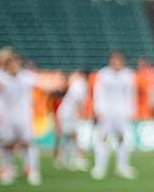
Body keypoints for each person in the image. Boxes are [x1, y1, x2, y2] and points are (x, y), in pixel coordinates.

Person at [0, 47, 42, 185]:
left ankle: (32, 170)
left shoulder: (26, 77)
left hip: (24, 117)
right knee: (6, 144)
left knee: (27, 143)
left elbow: (43, 83)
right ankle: (6, 170)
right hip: (6, 118)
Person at [91, 51, 138, 180]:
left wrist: (131, 111)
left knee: (122, 138)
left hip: (122, 112)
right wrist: (98, 109)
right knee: (103, 138)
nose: (117, 63)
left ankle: (122, 166)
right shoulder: (103, 74)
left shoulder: (127, 75)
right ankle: (100, 166)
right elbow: (98, 92)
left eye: (119, 60)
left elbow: (130, 94)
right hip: (106, 112)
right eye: (114, 60)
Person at [54, 70, 90, 171]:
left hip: (65, 113)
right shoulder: (80, 84)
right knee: (74, 135)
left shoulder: (77, 84)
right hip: (69, 114)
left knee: (68, 135)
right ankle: (75, 159)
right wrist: (77, 113)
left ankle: (62, 158)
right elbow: (75, 100)